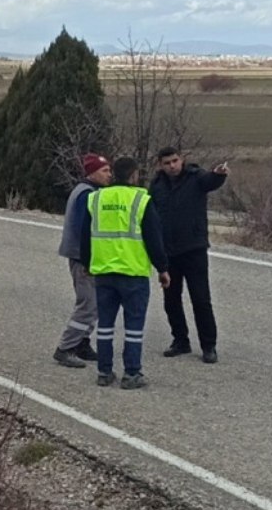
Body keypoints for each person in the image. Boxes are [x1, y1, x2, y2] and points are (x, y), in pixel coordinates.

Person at [79, 156, 171, 389]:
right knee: (133, 327)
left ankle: (104, 371)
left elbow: (85, 235)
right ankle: (131, 373)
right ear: (133, 175)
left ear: (113, 174)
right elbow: (154, 237)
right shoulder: (141, 199)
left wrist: (87, 263)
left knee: (105, 325)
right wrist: (162, 268)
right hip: (133, 272)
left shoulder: (96, 198)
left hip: (104, 272)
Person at [148, 146, 229, 364]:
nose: (172, 166)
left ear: (181, 160)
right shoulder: (156, 186)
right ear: (160, 165)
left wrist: (219, 175)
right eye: (167, 163)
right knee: (171, 300)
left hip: (194, 249)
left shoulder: (196, 177)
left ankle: (208, 346)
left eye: (175, 161)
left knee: (201, 299)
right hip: (168, 251)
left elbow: (210, 182)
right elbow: (151, 216)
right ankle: (180, 341)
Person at [53, 153, 113, 368]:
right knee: (87, 304)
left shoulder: (89, 191)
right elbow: (85, 230)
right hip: (83, 258)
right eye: (105, 171)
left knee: (95, 303)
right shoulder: (86, 194)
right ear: (92, 173)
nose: (109, 175)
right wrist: (89, 260)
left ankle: (82, 343)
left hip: (87, 257)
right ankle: (65, 348)